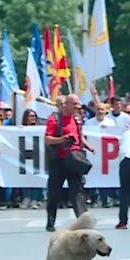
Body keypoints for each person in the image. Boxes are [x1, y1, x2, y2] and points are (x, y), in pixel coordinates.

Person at [44, 94, 96, 232]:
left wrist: (88, 146)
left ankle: (82, 220)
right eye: (74, 105)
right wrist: (62, 139)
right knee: (54, 192)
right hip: (58, 161)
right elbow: (47, 139)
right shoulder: (55, 119)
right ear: (65, 104)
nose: (76, 108)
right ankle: (50, 222)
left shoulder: (77, 119)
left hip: (74, 160)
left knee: (77, 192)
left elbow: (80, 135)